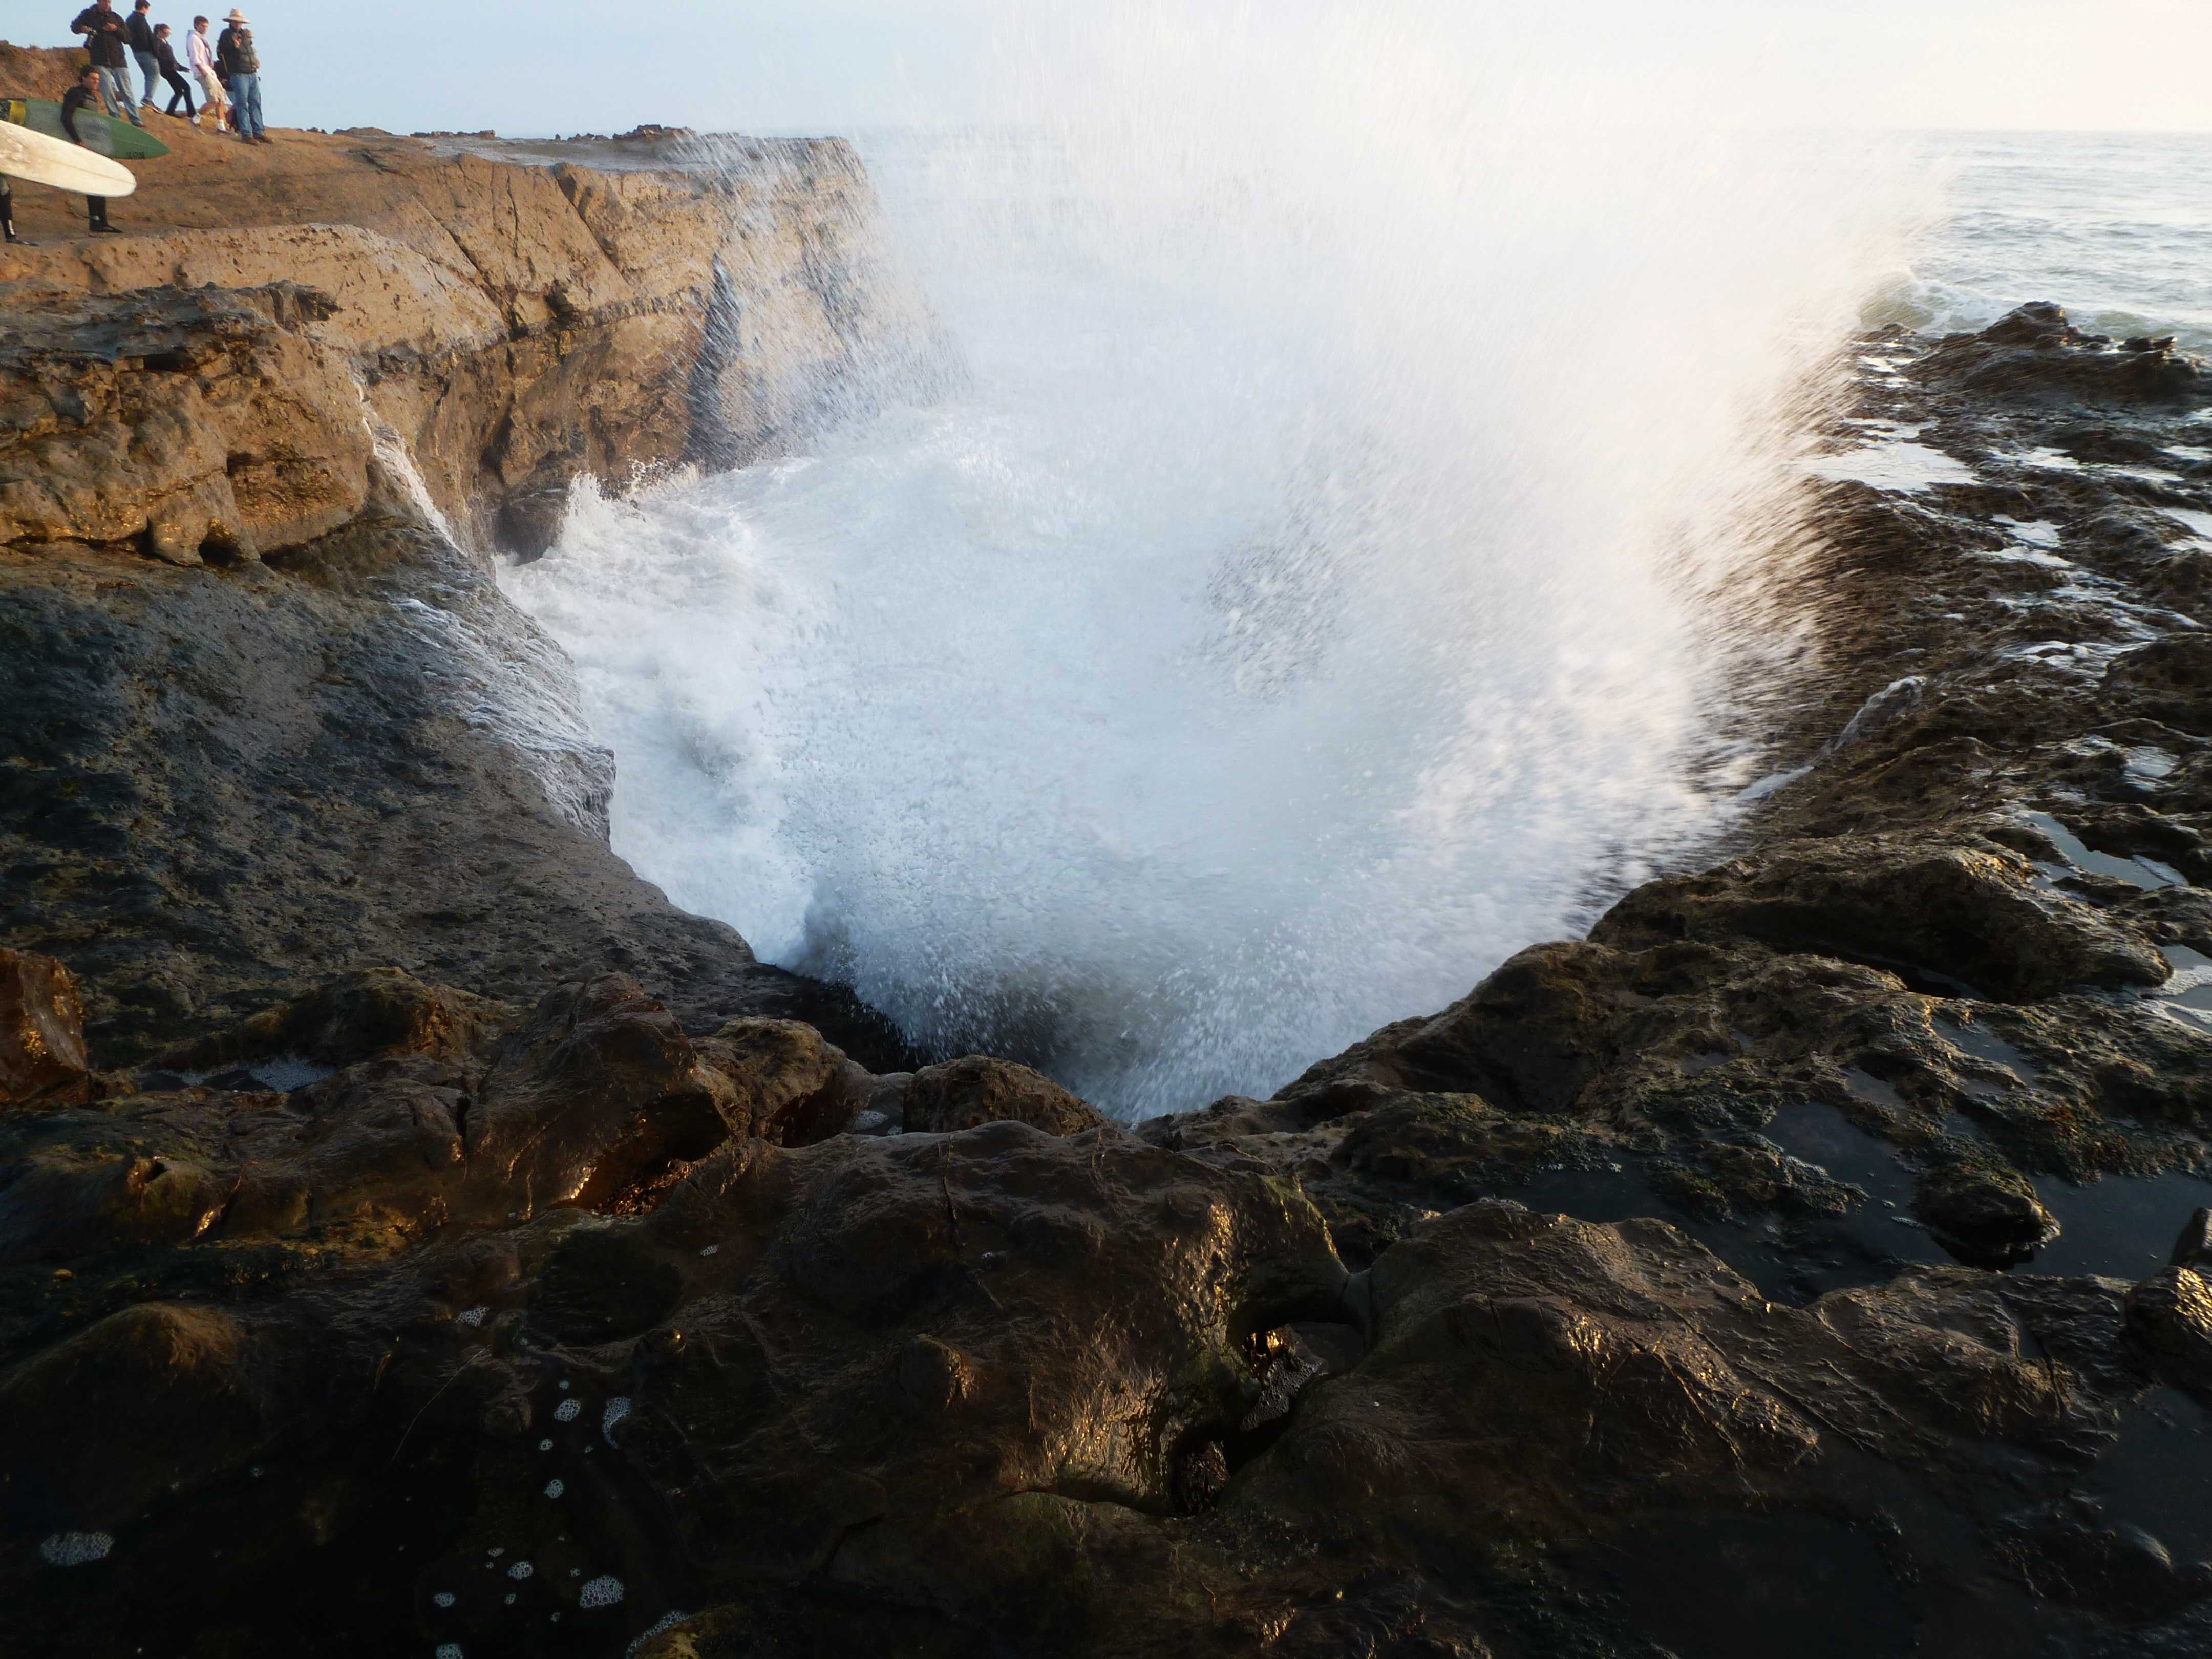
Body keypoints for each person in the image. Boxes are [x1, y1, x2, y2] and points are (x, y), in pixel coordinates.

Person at [60, 65, 122, 235]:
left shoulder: (91, 97)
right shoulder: (75, 93)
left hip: (95, 145)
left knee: (99, 181)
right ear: (83, 78)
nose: (96, 82)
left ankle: (101, 222)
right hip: (83, 145)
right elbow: (66, 118)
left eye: (98, 80)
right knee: (94, 182)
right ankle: (96, 222)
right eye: (93, 79)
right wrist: (78, 141)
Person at [69, 0, 147, 129]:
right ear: (98, 1)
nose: (107, 4)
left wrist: (116, 29)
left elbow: (128, 38)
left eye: (109, 2)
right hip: (99, 59)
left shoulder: (116, 17)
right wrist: (82, 28)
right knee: (107, 90)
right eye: (104, 1)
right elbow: (74, 27)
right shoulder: (88, 14)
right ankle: (115, 116)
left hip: (118, 60)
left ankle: (135, 118)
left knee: (126, 90)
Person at [215, 8, 263, 144]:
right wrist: (233, 46)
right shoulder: (226, 34)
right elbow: (221, 53)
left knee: (255, 102)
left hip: (251, 72)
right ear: (231, 22)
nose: (238, 24)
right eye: (235, 22)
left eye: (239, 22)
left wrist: (254, 62)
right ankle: (247, 134)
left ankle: (258, 132)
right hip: (238, 73)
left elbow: (250, 52)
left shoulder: (244, 34)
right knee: (242, 103)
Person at [188, 14, 228, 133]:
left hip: (210, 72)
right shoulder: (193, 38)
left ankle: (221, 126)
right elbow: (195, 57)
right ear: (196, 25)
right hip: (203, 72)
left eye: (206, 26)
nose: (205, 28)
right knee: (213, 100)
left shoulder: (202, 38)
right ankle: (196, 119)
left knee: (221, 99)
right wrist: (203, 71)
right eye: (203, 26)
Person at [152, 23, 195, 121]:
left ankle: (171, 110)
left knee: (179, 91)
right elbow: (162, 58)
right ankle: (191, 112)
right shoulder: (158, 42)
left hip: (171, 69)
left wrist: (181, 68)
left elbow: (172, 59)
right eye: (165, 32)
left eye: (168, 33)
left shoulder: (164, 42)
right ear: (159, 32)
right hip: (167, 70)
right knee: (186, 87)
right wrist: (175, 66)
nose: (167, 35)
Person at [125, 0, 159, 112]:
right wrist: (154, 51)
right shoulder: (140, 19)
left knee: (149, 76)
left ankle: (148, 99)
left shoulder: (130, 19)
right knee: (154, 75)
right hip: (146, 52)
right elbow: (145, 37)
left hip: (136, 52)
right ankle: (148, 99)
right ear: (145, 7)